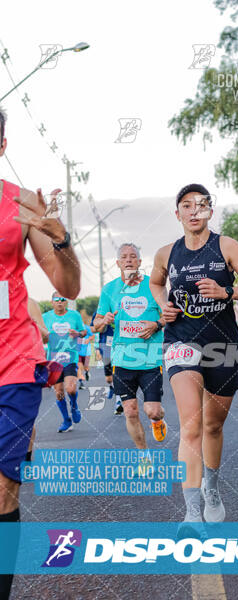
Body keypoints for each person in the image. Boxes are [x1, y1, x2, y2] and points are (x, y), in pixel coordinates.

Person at [0, 106, 80, 600]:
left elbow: (67, 286)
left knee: (4, 488)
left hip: (14, 359)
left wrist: (62, 240)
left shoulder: (22, 205)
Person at [150, 183, 238, 530]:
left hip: (223, 345)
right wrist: (163, 307)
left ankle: (211, 488)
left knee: (213, 426)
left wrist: (226, 291)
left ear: (210, 211)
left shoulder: (226, 246)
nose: (195, 211)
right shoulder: (166, 253)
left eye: (202, 205)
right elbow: (156, 283)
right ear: (178, 213)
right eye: (187, 205)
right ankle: (191, 512)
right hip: (181, 342)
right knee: (191, 425)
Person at [93, 243, 168, 446]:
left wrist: (157, 324)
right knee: (130, 411)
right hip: (122, 360)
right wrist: (104, 320)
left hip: (150, 359)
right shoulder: (109, 289)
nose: (128, 260)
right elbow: (95, 326)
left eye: (133, 256)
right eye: (124, 257)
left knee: (152, 410)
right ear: (117, 263)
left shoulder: (153, 286)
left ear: (140, 262)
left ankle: (158, 419)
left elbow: (170, 316)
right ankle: (143, 455)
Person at [43, 293, 87, 432]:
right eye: (57, 300)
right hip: (54, 360)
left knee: (71, 389)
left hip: (70, 357)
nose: (60, 302)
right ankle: (66, 420)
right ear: (52, 302)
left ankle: (74, 407)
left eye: (63, 299)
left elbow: (84, 331)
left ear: (66, 302)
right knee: (59, 393)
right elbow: (39, 334)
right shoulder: (45, 317)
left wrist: (78, 334)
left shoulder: (74, 315)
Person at [25, 298, 50, 462]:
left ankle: (25, 459)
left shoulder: (29, 303)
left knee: (23, 418)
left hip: (23, 367)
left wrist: (31, 323)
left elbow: (46, 337)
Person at [90, 310, 117, 408]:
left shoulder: (123, 306)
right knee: (109, 378)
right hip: (105, 345)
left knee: (119, 372)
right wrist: (103, 324)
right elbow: (92, 329)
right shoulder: (99, 311)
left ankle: (119, 400)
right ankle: (111, 386)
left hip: (121, 344)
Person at [77, 322, 94, 389]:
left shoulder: (86, 328)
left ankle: (87, 372)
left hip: (87, 351)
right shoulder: (75, 328)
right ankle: (81, 383)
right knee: (79, 367)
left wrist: (88, 339)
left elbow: (93, 336)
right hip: (78, 351)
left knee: (86, 367)